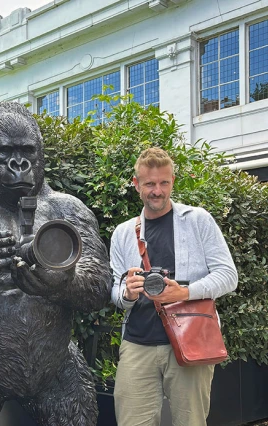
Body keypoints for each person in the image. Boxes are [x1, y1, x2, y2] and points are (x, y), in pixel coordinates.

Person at [110, 147, 238, 426]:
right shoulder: (122, 233)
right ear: (136, 185)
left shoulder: (197, 220)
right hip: (138, 343)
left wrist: (185, 292)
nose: (157, 191)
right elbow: (116, 290)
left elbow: (229, 275)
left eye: (163, 182)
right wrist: (127, 293)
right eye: (149, 184)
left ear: (173, 181)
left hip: (191, 340)